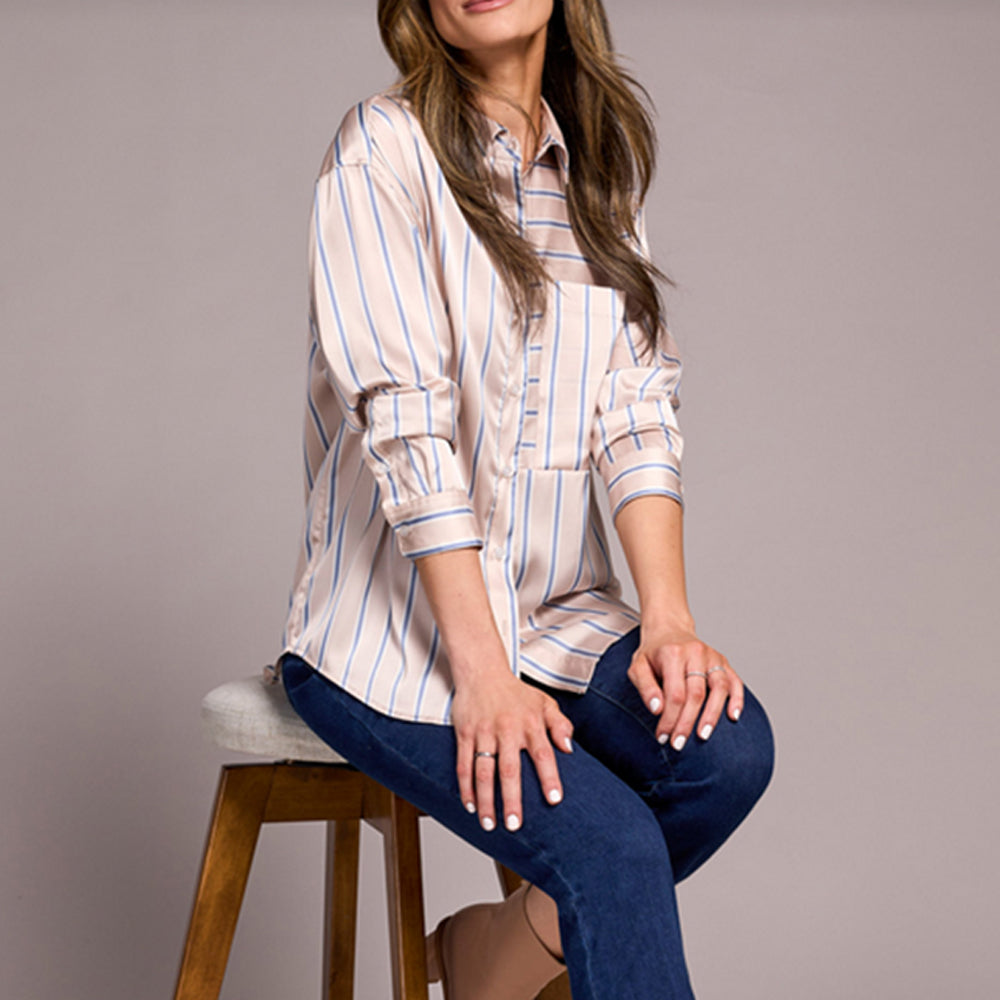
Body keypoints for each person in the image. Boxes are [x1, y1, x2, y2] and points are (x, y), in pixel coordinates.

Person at [274, 1, 775, 997]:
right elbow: (406, 429)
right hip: (396, 642)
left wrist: (669, 623)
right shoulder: (383, 151)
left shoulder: (599, 167)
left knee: (725, 754)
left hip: (556, 623)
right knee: (612, 848)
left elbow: (634, 413)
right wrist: (482, 677)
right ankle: (496, 959)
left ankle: (489, 956)